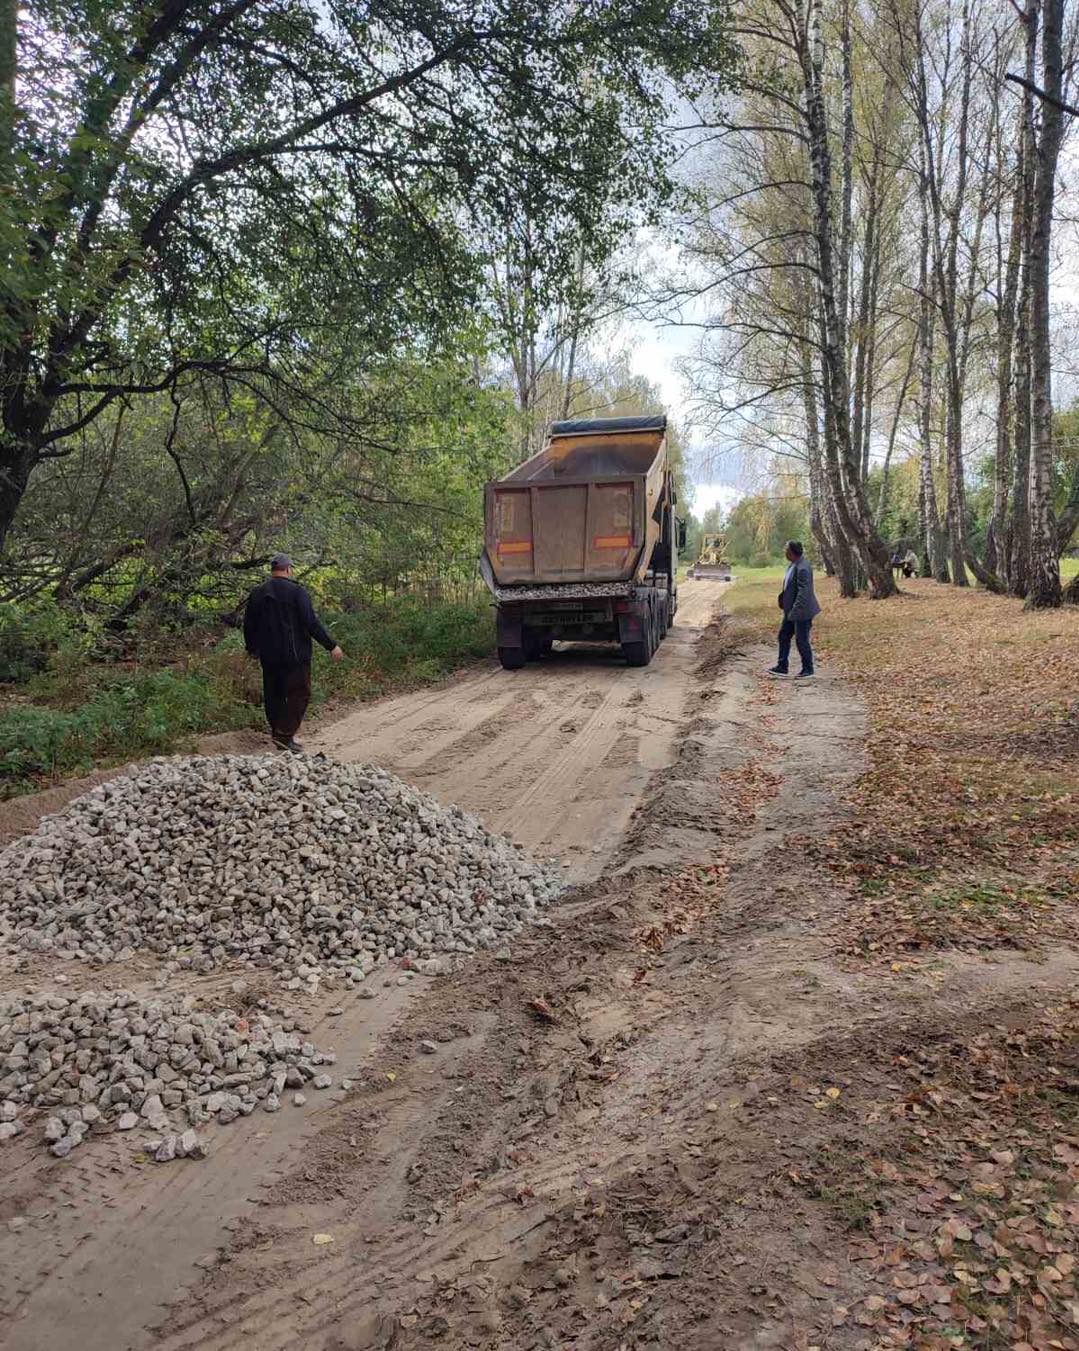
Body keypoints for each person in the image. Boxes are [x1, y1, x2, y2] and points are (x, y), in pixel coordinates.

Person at [243, 554, 343, 752]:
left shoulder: (257, 592)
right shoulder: (297, 592)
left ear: (273, 570)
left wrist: (252, 648)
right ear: (288, 569)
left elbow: (249, 625)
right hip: (295, 655)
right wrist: (331, 646)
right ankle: (284, 735)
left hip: (269, 656)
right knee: (300, 693)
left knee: (274, 695)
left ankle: (279, 733)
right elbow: (311, 623)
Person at [768, 540, 821, 679]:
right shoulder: (793, 564)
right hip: (790, 610)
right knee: (783, 636)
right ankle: (782, 666)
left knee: (801, 639)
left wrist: (795, 612)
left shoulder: (803, 567)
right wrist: (783, 599)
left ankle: (808, 669)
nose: (784, 552)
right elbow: (789, 586)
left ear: (791, 552)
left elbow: (804, 593)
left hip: (801, 611)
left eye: (786, 549)